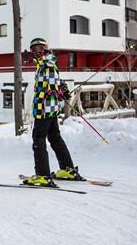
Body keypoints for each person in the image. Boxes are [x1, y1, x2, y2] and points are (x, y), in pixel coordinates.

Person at [23, 38, 83, 187]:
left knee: (38, 139)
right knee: (54, 138)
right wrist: (62, 88)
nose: (36, 52)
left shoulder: (46, 64)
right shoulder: (48, 63)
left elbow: (50, 88)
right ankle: (68, 169)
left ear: (45, 49)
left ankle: (43, 175)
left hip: (44, 109)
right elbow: (55, 82)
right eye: (33, 49)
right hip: (51, 109)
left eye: (39, 48)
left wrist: (56, 91)